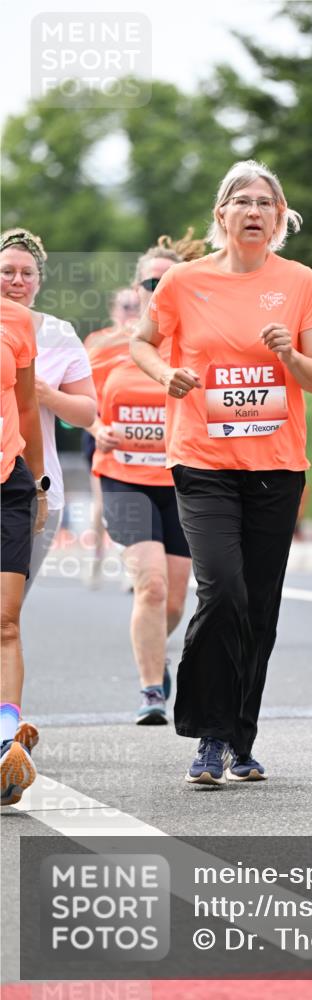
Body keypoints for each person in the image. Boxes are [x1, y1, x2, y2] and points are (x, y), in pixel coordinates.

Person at [131, 159, 312, 785]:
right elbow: (143, 341)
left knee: (261, 608)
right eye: (242, 201)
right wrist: (168, 375)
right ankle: (208, 736)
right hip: (203, 460)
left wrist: (288, 354)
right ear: (221, 214)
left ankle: (240, 737)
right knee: (222, 589)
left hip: (276, 467)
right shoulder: (185, 282)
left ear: (279, 219)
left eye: (265, 203)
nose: (254, 211)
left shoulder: (302, 283)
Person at [88, 236, 205, 724]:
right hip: (123, 478)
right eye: (150, 283)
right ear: (137, 288)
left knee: (175, 599)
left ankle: (158, 653)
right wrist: (97, 427)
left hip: (180, 478)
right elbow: (75, 402)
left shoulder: (198, 343)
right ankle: (151, 691)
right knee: (152, 586)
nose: (158, 290)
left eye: (166, 282)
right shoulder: (107, 346)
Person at [0, 229, 97, 593]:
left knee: (7, 613)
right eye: (7, 271)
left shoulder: (59, 333)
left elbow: (87, 414)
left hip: (36, 490)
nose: (16, 281)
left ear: (39, 282)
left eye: (27, 274)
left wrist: (44, 394)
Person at [1, 297, 48, 805]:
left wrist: (38, 485)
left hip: (7, 484)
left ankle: (4, 743)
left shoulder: (13, 320)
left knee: (6, 622)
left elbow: (29, 404)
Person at [82, 288, 140, 584]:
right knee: (102, 503)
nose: (131, 311)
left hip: (142, 428)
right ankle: (96, 559)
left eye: (136, 306)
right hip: (103, 428)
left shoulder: (147, 341)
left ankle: (133, 567)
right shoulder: (99, 342)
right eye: (125, 306)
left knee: (137, 500)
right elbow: (82, 390)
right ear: (113, 310)